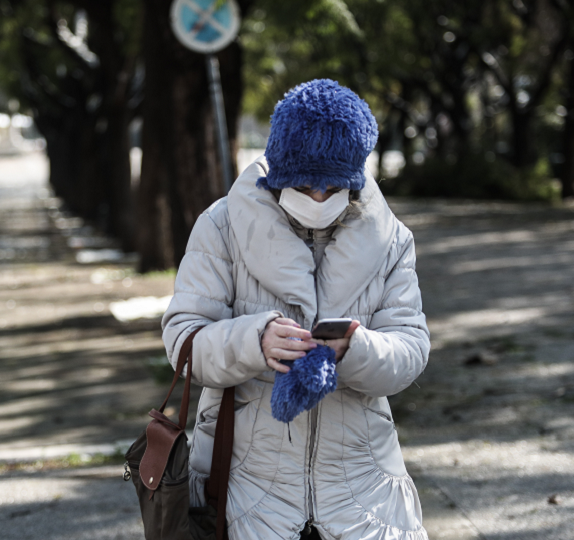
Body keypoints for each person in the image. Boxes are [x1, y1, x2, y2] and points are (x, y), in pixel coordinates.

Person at [162, 79, 430, 540]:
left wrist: (356, 349)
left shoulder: (391, 239)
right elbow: (183, 340)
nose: (319, 199)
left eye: (334, 187)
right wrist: (253, 340)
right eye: (306, 185)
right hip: (243, 493)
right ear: (280, 171)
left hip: (363, 494)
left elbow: (409, 350)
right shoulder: (221, 226)